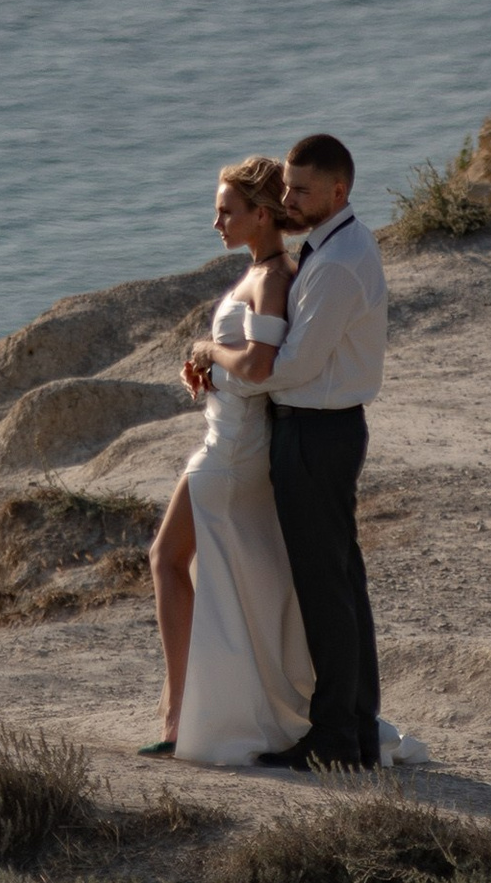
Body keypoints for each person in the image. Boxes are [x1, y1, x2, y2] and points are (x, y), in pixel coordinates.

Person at [142, 155, 312, 762]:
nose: (216, 220)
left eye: (227, 211)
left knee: (167, 558)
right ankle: (184, 708)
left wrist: (209, 349)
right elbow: (250, 367)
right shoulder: (263, 271)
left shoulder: (272, 277)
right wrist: (211, 371)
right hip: (228, 436)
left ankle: (178, 714)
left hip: (232, 451)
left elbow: (261, 367)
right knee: (203, 570)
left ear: (261, 215)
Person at [252, 133, 387, 770]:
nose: (288, 198)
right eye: (286, 185)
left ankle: (336, 738)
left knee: (325, 589)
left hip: (316, 432)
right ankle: (355, 729)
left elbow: (299, 365)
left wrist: (228, 369)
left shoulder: (334, 263)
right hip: (325, 429)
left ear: (339, 191)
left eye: (301, 189)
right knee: (341, 584)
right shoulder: (336, 245)